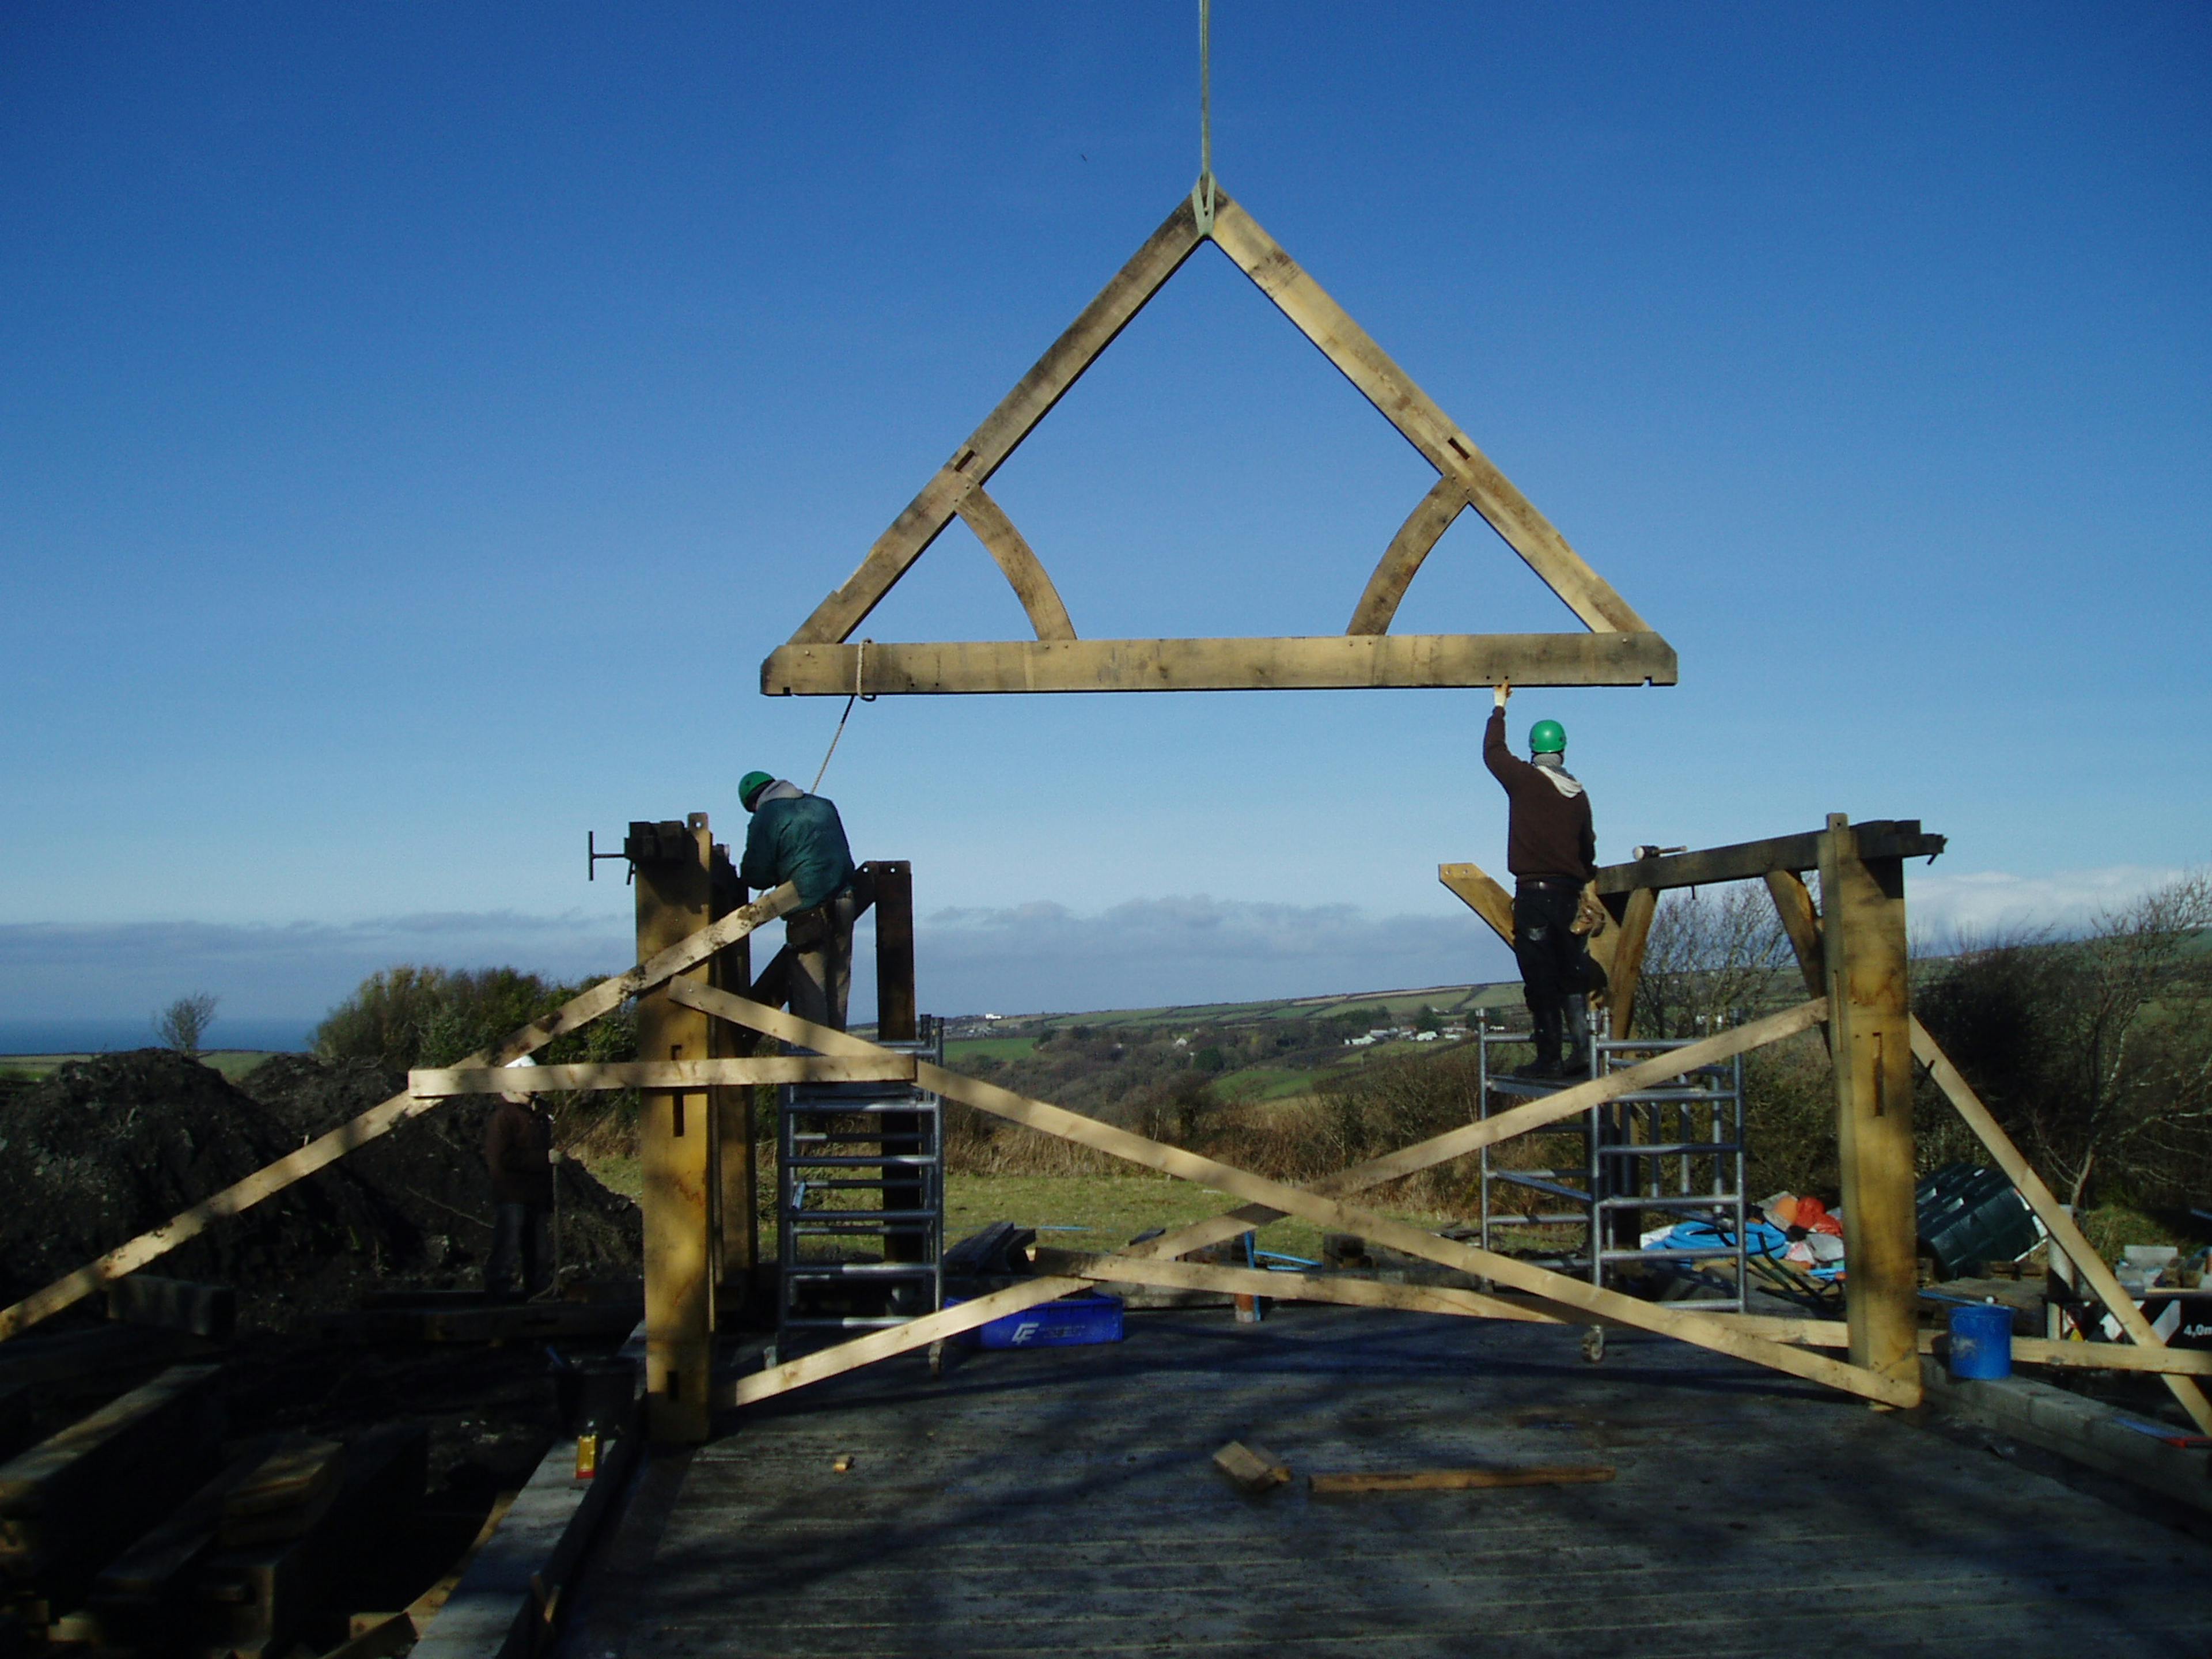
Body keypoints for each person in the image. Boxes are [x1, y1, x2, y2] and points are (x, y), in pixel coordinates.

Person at [1483, 681, 1598, 1079]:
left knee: (1540, 977)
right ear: (1562, 749)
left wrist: (1499, 707)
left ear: (1535, 750)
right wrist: (1585, 876)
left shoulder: (1525, 780)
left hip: (1533, 895)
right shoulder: (1578, 795)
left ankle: (1549, 1057)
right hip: (1569, 896)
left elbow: (1493, 753)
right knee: (1572, 974)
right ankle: (1584, 1052)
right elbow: (1589, 849)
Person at [738, 770, 868, 1031]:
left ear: (753, 803)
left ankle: (815, 1061)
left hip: (806, 910)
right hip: (845, 901)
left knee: (810, 986)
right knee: (838, 980)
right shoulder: (824, 805)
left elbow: (755, 875)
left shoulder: (765, 816)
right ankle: (838, 1055)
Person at [484, 1054, 555, 1296]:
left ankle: (538, 1293)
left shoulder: (537, 1117)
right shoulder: (504, 1117)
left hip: (535, 1195)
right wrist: (544, 1159)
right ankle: (498, 1295)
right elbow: (503, 1158)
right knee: (508, 1247)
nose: (533, 1086)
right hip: (512, 1195)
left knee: (538, 1251)